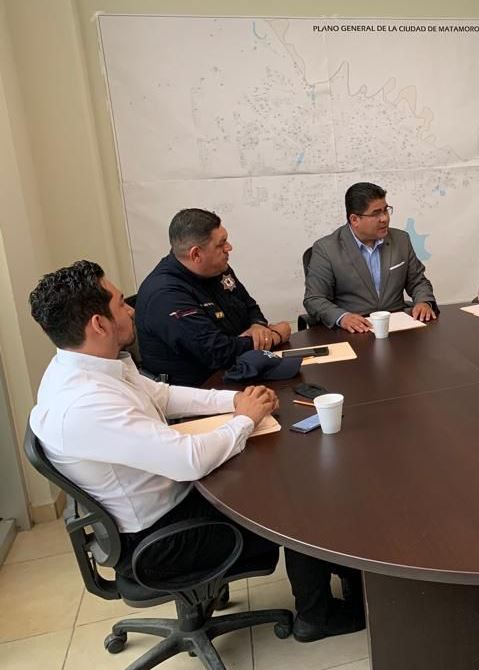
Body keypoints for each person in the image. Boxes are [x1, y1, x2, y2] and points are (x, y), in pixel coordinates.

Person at [28, 261, 364, 642]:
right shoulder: (87, 404)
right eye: (121, 303)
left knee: (279, 470)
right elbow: (188, 461)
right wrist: (246, 421)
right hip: (162, 540)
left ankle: (345, 577)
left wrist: (235, 400)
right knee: (297, 496)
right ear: (98, 324)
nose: (131, 309)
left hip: (162, 504)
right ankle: (317, 616)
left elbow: (164, 395)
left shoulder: (85, 367)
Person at [134, 208, 292, 387]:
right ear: (196, 254)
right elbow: (218, 353)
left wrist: (258, 326)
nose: (229, 248)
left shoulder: (217, 269)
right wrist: (274, 336)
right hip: (201, 390)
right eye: (221, 244)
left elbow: (250, 306)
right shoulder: (165, 295)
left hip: (241, 369)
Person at [303, 182, 437, 333]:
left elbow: (418, 281)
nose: (384, 218)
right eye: (376, 214)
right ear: (354, 220)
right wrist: (343, 317)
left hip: (398, 327)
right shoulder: (327, 249)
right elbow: (314, 299)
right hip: (354, 331)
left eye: (386, 210)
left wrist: (423, 302)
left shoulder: (401, 240)